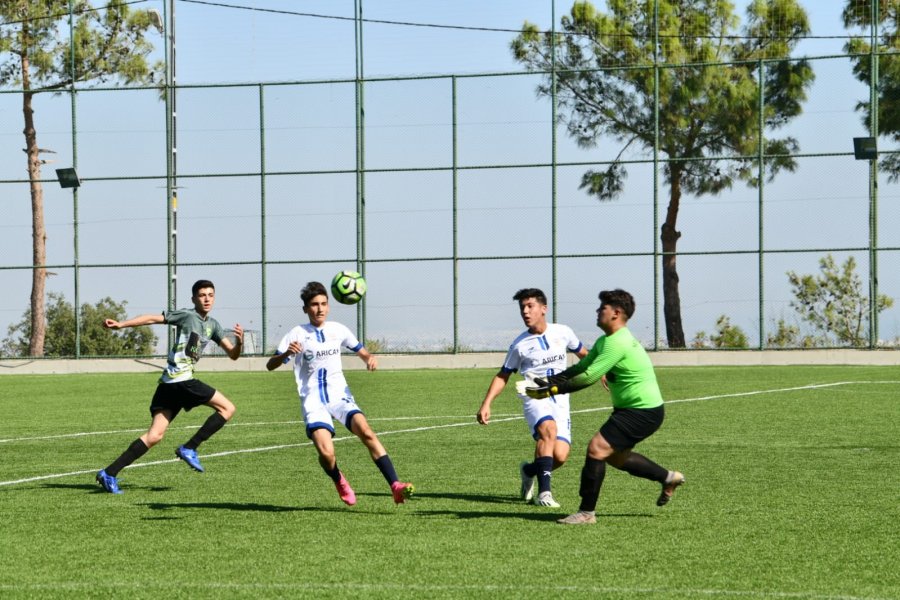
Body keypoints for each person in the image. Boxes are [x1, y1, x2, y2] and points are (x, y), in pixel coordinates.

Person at [525, 288, 684, 525]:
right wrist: (549, 382)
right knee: (616, 458)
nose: (598, 311)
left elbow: (589, 376)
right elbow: (578, 368)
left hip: (642, 412)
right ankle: (668, 477)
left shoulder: (618, 343)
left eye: (603, 308)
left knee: (596, 449)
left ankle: (587, 512)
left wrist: (552, 390)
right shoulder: (605, 341)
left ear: (616, 313)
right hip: (634, 410)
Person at [266, 281, 414, 506]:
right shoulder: (296, 334)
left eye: (324, 304)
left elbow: (361, 350)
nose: (320, 309)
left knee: (366, 432)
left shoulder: (338, 329)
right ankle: (338, 479)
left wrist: (369, 358)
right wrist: (286, 353)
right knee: (327, 454)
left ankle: (395, 485)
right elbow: (270, 365)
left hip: (339, 394)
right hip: (313, 399)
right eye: (314, 304)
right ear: (305, 308)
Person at [95, 279, 244, 494]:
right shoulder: (187, 315)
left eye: (211, 294)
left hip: (168, 384)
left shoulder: (213, 326)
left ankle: (109, 473)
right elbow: (153, 318)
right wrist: (121, 324)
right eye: (202, 295)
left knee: (154, 436)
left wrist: (239, 343)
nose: (207, 298)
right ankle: (190, 447)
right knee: (227, 408)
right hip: (181, 381)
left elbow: (233, 355)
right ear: (194, 298)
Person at [477, 288, 588, 508]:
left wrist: (601, 371)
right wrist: (487, 403)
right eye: (522, 308)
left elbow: (584, 353)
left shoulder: (563, 332)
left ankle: (529, 471)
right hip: (533, 394)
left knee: (561, 456)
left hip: (560, 397)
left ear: (543, 309)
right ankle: (544, 494)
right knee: (548, 431)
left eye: (530, 306)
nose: (525, 312)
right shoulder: (519, 345)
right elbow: (503, 375)